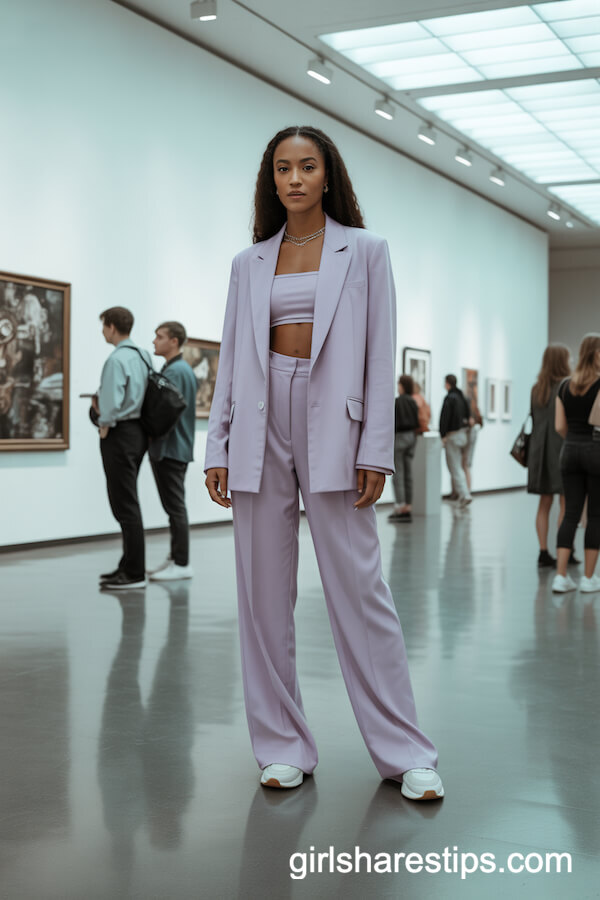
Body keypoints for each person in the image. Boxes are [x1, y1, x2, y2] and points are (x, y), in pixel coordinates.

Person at [204, 125, 443, 800]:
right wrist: (217, 444)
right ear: (271, 180)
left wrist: (375, 448)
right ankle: (282, 745)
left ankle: (405, 753)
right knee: (261, 596)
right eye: (283, 168)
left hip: (334, 422)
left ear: (327, 175)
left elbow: (378, 350)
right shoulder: (248, 262)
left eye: (307, 166)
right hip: (257, 417)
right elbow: (231, 360)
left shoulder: (365, 251)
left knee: (361, 590)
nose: (295, 179)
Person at [95, 306, 152, 590]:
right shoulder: (143, 355)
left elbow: (112, 403)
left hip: (120, 433)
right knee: (127, 500)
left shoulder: (117, 360)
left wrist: (103, 422)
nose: (102, 331)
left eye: (103, 325)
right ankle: (128, 564)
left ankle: (134, 573)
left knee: (124, 503)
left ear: (113, 327)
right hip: (139, 433)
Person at [147, 321, 197, 581]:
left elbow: (164, 411)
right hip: (176, 447)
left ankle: (181, 562)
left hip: (171, 448)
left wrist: (149, 432)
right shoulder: (178, 369)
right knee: (174, 506)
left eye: (159, 336)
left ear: (174, 341)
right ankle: (175, 558)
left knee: (175, 507)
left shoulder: (176, 371)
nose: (154, 341)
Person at [552, 333, 600, 594]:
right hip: (595, 450)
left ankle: (560, 577)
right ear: (596, 354)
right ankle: (589, 578)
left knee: (570, 513)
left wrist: (574, 440)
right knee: (595, 515)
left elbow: (560, 426)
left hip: (569, 449)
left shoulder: (564, 386)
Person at [527, 344, 571, 568]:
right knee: (566, 503)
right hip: (560, 448)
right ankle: (566, 549)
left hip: (538, 452)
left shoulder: (537, 388)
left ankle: (543, 551)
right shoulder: (567, 386)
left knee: (544, 503)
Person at [389, 374, 419, 523]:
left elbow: (393, 422)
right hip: (412, 438)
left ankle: (400, 506)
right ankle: (408, 506)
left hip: (400, 437)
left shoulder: (398, 402)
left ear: (402, 385)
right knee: (408, 473)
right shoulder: (413, 401)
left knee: (398, 473)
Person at [439, 374, 471, 508]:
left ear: (447, 383)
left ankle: (464, 494)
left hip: (453, 435)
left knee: (455, 467)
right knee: (459, 466)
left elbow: (444, 417)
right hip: (463, 434)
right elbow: (468, 415)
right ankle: (463, 494)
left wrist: (443, 434)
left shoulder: (450, 398)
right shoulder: (463, 397)